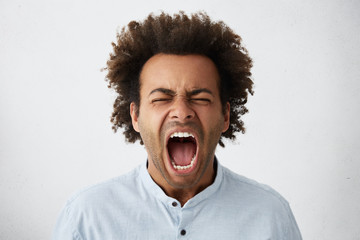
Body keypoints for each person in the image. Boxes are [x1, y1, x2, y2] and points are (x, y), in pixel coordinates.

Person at [52, 11, 302, 239]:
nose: (182, 112)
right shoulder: (86, 218)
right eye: (161, 99)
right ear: (135, 116)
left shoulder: (270, 216)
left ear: (225, 116)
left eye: (201, 98)